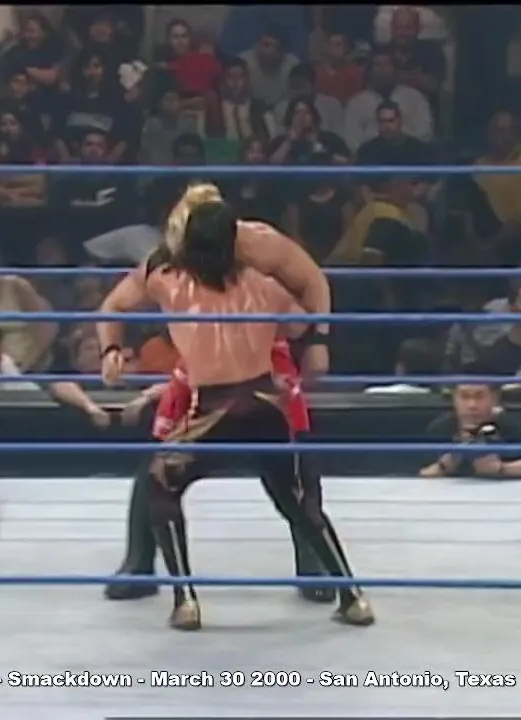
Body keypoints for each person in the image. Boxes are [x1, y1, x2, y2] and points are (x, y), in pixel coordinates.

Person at [96, 184, 370, 631]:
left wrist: (113, 349)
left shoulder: (168, 279)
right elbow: (298, 322)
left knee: (161, 480)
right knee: (297, 500)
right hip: (264, 404)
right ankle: (353, 596)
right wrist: (298, 333)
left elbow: (113, 306)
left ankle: (185, 601)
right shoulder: (265, 285)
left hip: (214, 410)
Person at [105, 334, 336, 604]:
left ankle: (314, 560)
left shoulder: (267, 325)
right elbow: (118, 310)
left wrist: (317, 336)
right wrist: (111, 349)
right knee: (157, 465)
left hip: (264, 381)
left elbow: (300, 320)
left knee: (294, 467)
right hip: (206, 385)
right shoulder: (195, 334)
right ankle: (139, 562)